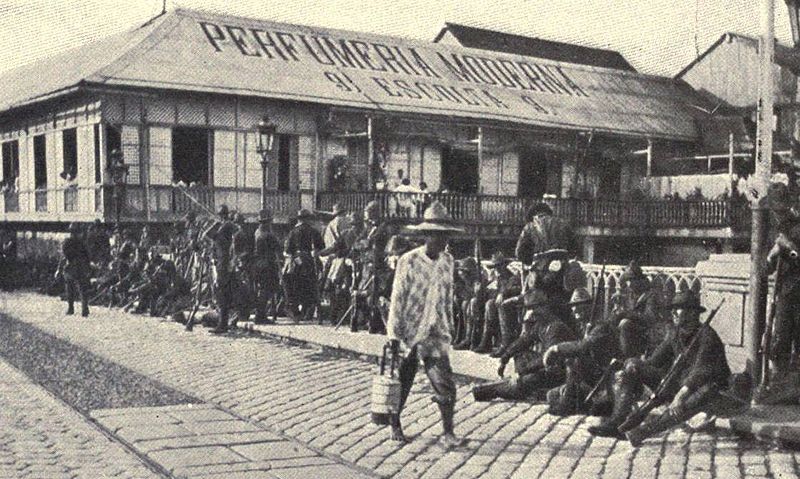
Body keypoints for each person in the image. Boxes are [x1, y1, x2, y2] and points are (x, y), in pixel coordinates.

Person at [588, 290, 732, 442]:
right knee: (633, 366)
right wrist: (630, 364)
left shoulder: (707, 336)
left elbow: (701, 372)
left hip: (708, 390)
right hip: (681, 385)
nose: (674, 313)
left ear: (692, 313)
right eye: (673, 309)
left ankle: (642, 432)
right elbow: (654, 361)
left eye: (678, 308)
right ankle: (616, 423)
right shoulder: (675, 333)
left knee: (693, 398)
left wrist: (679, 396)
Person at [386, 201, 464, 448]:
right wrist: (393, 334)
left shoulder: (448, 261)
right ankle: (395, 423)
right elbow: (397, 298)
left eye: (445, 236)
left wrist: (449, 328)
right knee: (404, 379)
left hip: (435, 330)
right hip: (410, 330)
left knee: (444, 382)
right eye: (437, 236)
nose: (442, 241)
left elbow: (448, 296)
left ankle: (448, 432)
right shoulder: (408, 261)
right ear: (426, 235)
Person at [472, 289, 576, 402]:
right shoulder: (541, 324)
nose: (530, 313)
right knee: (520, 355)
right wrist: (505, 357)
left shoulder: (556, 327)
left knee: (525, 381)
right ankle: (526, 387)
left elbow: (547, 359)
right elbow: (524, 341)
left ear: (544, 308)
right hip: (547, 367)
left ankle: (500, 391)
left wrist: (522, 372)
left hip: (559, 373)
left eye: (533, 308)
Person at [543, 287, 624, 416]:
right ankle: (574, 398)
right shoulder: (585, 326)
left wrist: (555, 349)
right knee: (551, 396)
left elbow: (583, 347)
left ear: (589, 307)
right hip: (588, 377)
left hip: (602, 377)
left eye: (578, 305)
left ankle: (568, 403)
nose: (574, 309)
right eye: (573, 306)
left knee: (575, 359)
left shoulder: (600, 326)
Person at [609, 261, 660, 357]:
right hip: (631, 330)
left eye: (633, 280)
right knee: (610, 323)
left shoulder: (650, 295)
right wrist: (618, 306)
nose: (629, 284)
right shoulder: (630, 293)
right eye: (627, 281)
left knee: (625, 324)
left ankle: (626, 357)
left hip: (646, 331)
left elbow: (650, 318)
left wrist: (626, 314)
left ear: (640, 280)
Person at [203, 204, 240, 333]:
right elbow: (206, 234)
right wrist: (216, 223)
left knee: (222, 293)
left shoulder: (227, 226)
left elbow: (237, 233)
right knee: (225, 293)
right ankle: (226, 320)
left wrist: (220, 222)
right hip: (221, 263)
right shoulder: (220, 228)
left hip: (224, 264)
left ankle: (223, 324)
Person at [283, 208, 324, 322]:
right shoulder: (314, 231)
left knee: (295, 285)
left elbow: (288, 250)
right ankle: (307, 310)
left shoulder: (293, 232)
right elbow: (321, 247)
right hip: (311, 261)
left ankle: (296, 310)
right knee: (310, 285)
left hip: (297, 261)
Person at [253, 209, 282, 324]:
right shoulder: (268, 235)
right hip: (268, 265)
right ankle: (260, 315)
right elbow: (278, 247)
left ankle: (260, 313)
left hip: (258, 264)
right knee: (267, 290)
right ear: (267, 222)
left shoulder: (257, 232)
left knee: (262, 290)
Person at [61, 222, 91, 316]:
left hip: (70, 267)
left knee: (70, 289)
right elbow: (87, 256)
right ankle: (84, 309)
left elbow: (65, 254)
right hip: (81, 267)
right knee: (82, 289)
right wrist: (87, 267)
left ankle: (71, 309)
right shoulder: (82, 242)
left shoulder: (67, 241)